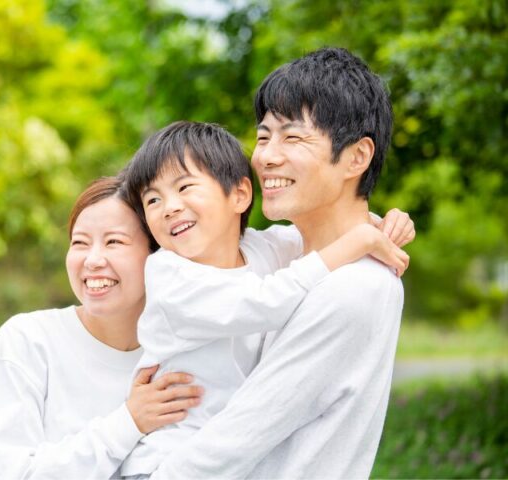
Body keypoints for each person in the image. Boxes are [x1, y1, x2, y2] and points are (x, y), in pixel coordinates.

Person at [151, 47, 407, 479]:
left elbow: (235, 440)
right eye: (264, 136)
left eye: (293, 138)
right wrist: (378, 225)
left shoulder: (353, 288)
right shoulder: (295, 253)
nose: (266, 156)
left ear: (357, 157)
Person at [0, 177, 203, 479]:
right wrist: (129, 422)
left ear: (157, 255)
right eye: (80, 243)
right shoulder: (28, 340)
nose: (92, 260)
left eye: (114, 242)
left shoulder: (179, 359)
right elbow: (9, 472)